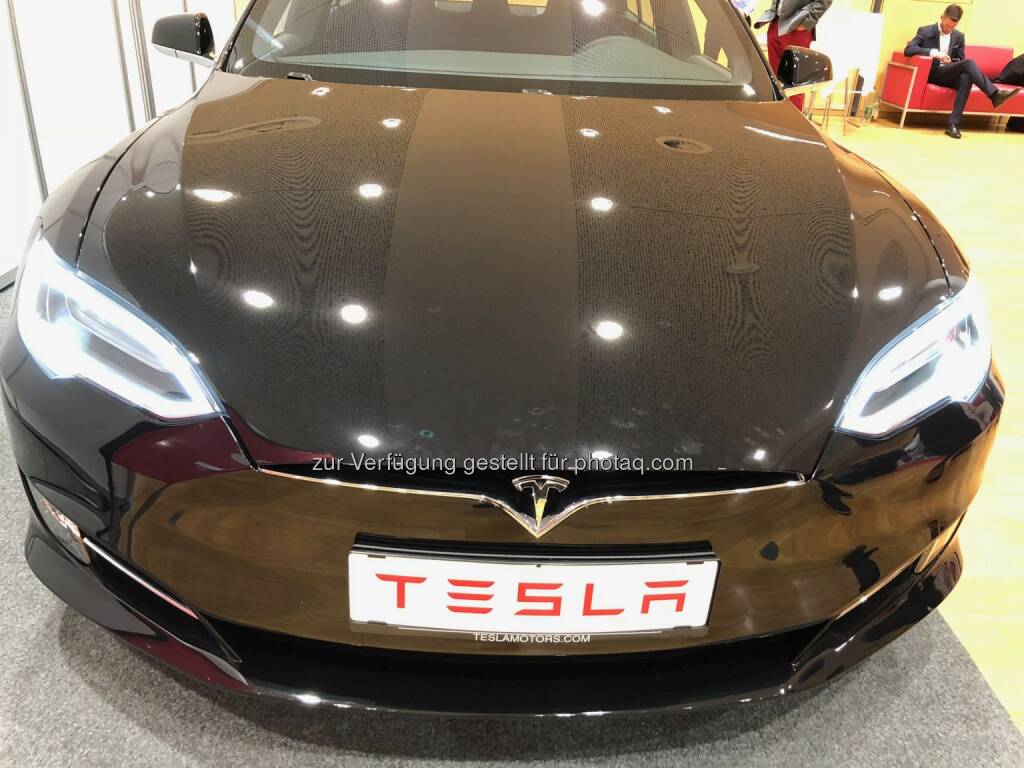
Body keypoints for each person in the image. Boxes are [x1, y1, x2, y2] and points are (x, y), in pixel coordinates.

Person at [904, 4, 1021, 139]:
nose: (948, 29)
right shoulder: (925, 31)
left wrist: (952, 62)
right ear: (942, 17)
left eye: (952, 27)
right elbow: (909, 50)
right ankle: (994, 94)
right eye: (947, 25)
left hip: (948, 72)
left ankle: (952, 124)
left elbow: (960, 59)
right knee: (969, 63)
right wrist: (934, 53)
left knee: (966, 77)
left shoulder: (958, 36)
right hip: (934, 73)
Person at [755, 1, 834, 110]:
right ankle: (776, 115)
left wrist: (808, 21)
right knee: (775, 80)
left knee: (795, 83)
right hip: (775, 22)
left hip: (797, 26)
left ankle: (791, 118)